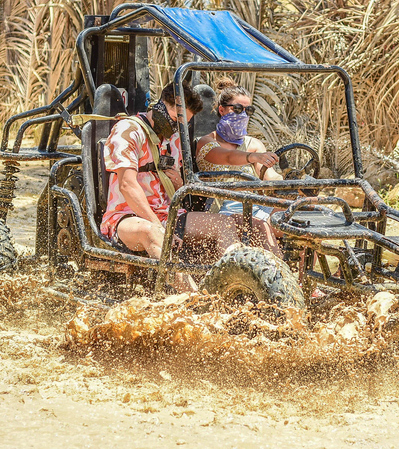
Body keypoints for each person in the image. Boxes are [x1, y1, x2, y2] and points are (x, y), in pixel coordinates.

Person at [101, 82, 239, 292]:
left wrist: (178, 182)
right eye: (177, 119)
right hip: (127, 216)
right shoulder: (129, 131)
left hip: (168, 213)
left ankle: (234, 286)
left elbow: (182, 186)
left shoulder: (173, 139)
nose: (177, 127)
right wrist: (159, 227)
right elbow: (128, 186)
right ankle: (195, 301)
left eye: (184, 123)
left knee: (223, 225)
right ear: (161, 106)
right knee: (152, 232)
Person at [195, 78, 283, 255]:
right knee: (258, 224)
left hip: (255, 205)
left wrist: (290, 186)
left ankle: (310, 278)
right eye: (237, 109)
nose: (242, 115)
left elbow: (270, 176)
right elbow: (228, 157)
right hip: (222, 208)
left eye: (248, 110)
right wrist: (252, 157)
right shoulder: (206, 142)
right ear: (222, 110)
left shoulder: (253, 143)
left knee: (298, 217)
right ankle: (280, 276)